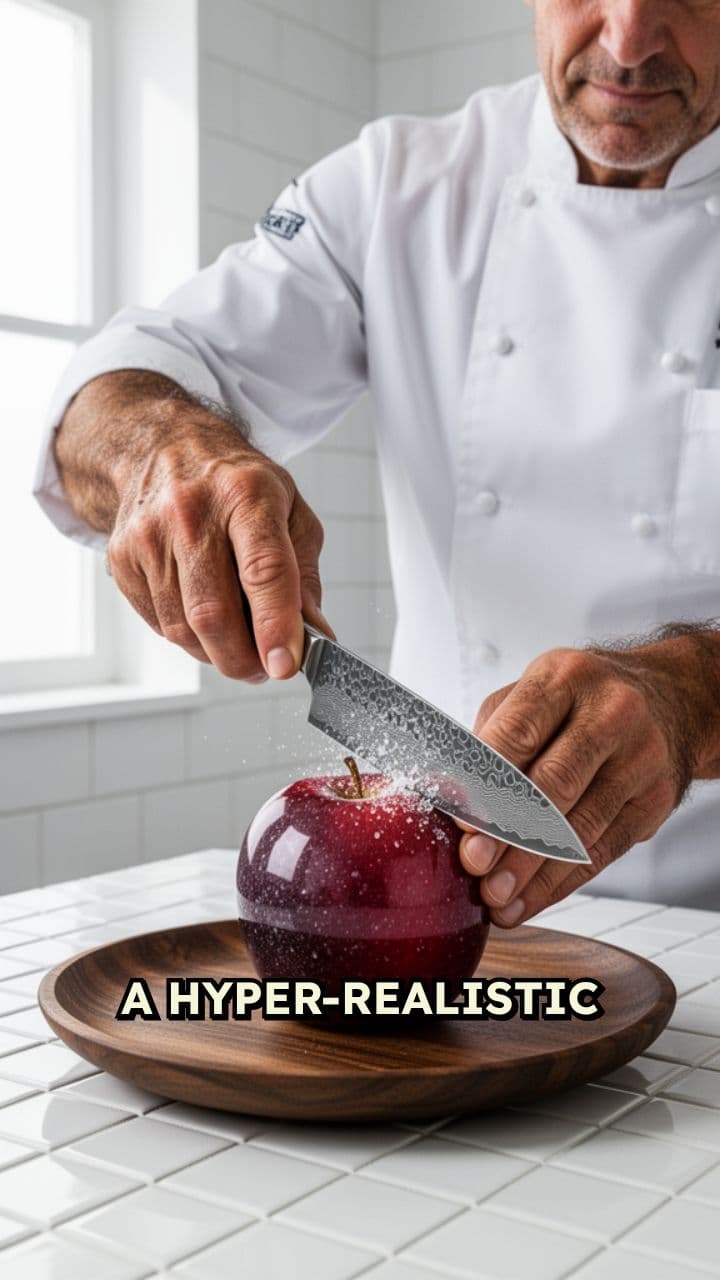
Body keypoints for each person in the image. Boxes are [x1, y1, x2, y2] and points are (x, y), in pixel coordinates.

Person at [35, 0, 720, 924]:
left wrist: (692, 697)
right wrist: (161, 447)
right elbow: (130, 378)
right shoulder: (401, 182)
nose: (629, 41)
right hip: (440, 895)